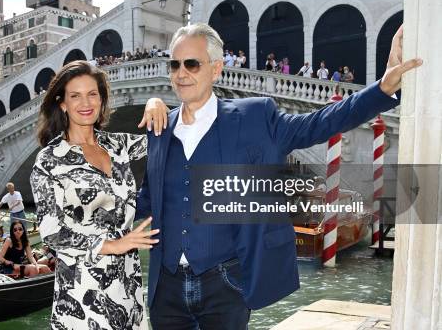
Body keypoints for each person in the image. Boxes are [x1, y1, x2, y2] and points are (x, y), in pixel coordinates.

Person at [135, 23, 420, 329]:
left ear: (216, 69)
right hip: (166, 288)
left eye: (191, 63)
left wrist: (382, 90)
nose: (181, 73)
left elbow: (319, 123)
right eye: (174, 64)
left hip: (226, 283)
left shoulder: (255, 117)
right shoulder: (159, 128)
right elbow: (145, 200)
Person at [30, 60, 166, 330]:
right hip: (82, 292)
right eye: (75, 95)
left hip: (128, 284)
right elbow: (51, 232)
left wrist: (156, 101)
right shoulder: (49, 161)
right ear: (63, 104)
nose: (85, 102)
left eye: (92, 94)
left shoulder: (117, 146)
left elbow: (165, 136)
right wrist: (111, 245)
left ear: (102, 100)